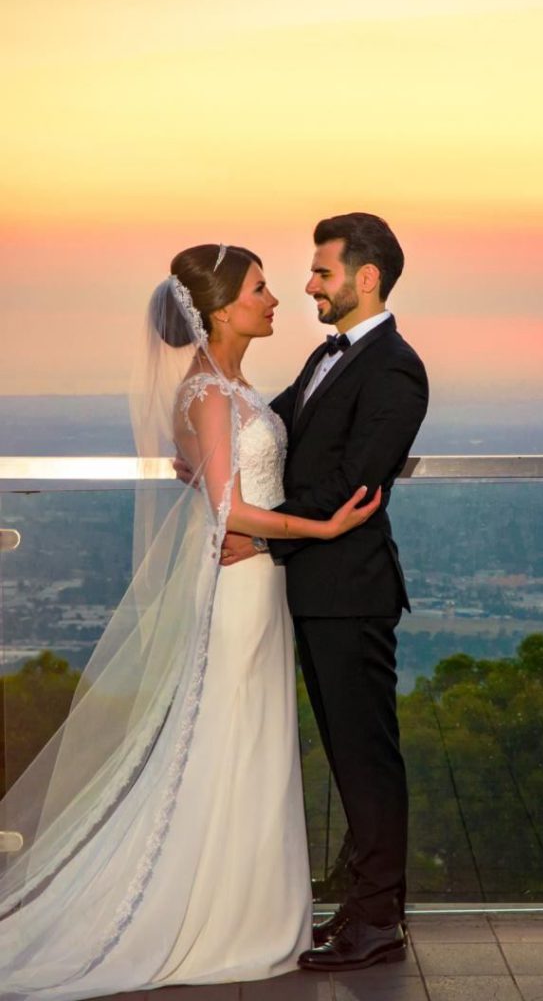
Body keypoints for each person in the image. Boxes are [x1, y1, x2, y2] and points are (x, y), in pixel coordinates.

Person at [0, 244, 380, 1000]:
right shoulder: (208, 391)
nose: (275, 300)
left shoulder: (234, 388)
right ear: (219, 310)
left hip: (259, 587)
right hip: (240, 595)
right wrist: (323, 530)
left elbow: (220, 479)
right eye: (261, 289)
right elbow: (225, 509)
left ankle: (253, 912)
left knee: (252, 743)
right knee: (230, 742)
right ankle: (222, 920)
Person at [217, 213, 429, 972]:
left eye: (321, 272)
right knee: (347, 757)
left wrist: (265, 536)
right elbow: (269, 427)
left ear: (365, 278)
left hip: (352, 592)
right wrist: (209, 444)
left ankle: (379, 922)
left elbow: (353, 488)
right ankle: (360, 908)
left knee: (367, 760)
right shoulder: (327, 356)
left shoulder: (396, 369)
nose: (308, 284)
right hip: (314, 589)